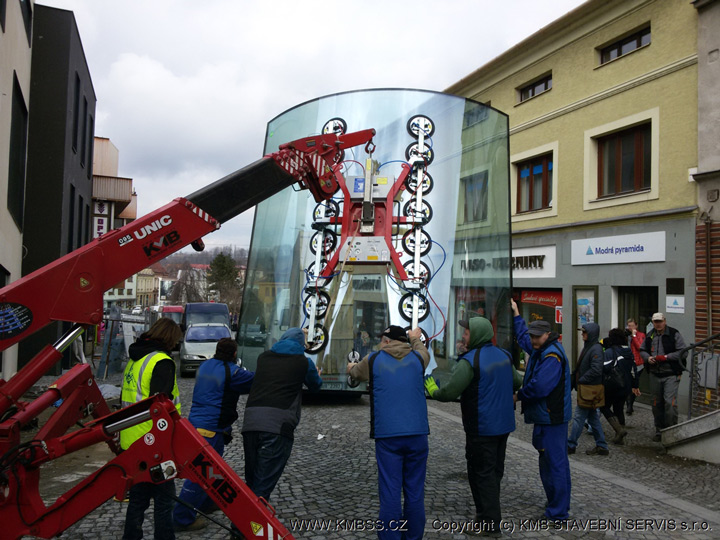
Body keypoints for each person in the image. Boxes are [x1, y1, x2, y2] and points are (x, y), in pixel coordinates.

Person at [424, 317, 514, 537]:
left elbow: (449, 392)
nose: (463, 336)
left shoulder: (470, 361)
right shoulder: (504, 356)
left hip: (481, 428)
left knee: (480, 475)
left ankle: (489, 524)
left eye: (466, 332)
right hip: (503, 427)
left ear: (477, 335)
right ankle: (488, 515)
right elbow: (518, 381)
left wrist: (433, 389)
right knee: (494, 474)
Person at [347, 325, 430, 540]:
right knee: (414, 491)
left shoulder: (373, 360)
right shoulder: (419, 359)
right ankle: (413, 537)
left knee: (390, 491)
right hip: (417, 433)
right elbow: (424, 351)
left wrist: (350, 367)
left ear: (386, 340)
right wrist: (415, 338)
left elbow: (355, 373)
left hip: (388, 435)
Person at [172, 338, 254, 531]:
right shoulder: (232, 372)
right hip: (212, 429)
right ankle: (182, 518)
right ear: (234, 354)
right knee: (200, 475)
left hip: (197, 425)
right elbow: (254, 380)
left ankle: (206, 503)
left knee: (212, 470)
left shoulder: (205, 365)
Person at [241, 327, 323, 500]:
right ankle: (248, 525)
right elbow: (315, 386)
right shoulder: (303, 362)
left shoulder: (263, 358)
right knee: (263, 483)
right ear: (301, 345)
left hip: (250, 422)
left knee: (252, 479)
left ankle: (242, 522)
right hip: (278, 426)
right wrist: (317, 373)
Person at [120, 318, 183, 540]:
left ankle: (131, 537)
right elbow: (161, 407)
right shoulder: (162, 362)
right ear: (170, 337)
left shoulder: (136, 358)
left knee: (138, 499)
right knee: (165, 500)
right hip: (154, 442)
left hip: (131, 439)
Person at [511, 300, 572, 522]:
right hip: (545, 417)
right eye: (533, 336)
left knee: (555, 464)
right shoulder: (541, 348)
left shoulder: (552, 356)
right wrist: (517, 315)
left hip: (552, 417)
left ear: (547, 335)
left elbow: (540, 387)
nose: (533, 340)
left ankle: (559, 511)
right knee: (549, 462)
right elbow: (525, 339)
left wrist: (518, 395)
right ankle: (556, 503)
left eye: (537, 336)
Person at [639, 313, 687, 442]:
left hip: (671, 373)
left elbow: (683, 352)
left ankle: (671, 431)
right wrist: (647, 358)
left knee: (669, 403)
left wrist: (665, 357)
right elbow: (642, 350)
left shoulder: (673, 334)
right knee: (656, 404)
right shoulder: (650, 335)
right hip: (655, 374)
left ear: (664, 321)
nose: (658, 324)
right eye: (655, 322)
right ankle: (659, 430)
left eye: (660, 321)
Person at [567, 323, 610, 456]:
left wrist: (581, 380)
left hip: (589, 389)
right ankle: (601, 445)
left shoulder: (595, 348)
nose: (582, 334)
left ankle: (570, 445)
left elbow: (596, 370)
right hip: (588, 388)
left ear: (591, 334)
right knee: (593, 419)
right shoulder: (589, 347)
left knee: (579, 418)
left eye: (584, 332)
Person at [599, 328, 638, 445]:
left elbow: (605, 368)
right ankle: (619, 436)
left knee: (603, 406)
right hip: (626, 385)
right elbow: (633, 369)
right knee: (619, 409)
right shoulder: (628, 351)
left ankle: (619, 430)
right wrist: (635, 385)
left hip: (613, 385)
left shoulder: (610, 351)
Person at [625, 318, 645, 415]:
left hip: (638, 363)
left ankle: (630, 404)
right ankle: (628, 403)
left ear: (636, 326)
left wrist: (634, 336)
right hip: (627, 363)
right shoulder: (626, 335)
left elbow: (640, 347)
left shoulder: (640, 335)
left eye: (632, 326)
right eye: (629, 326)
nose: (631, 328)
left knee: (634, 384)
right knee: (627, 384)